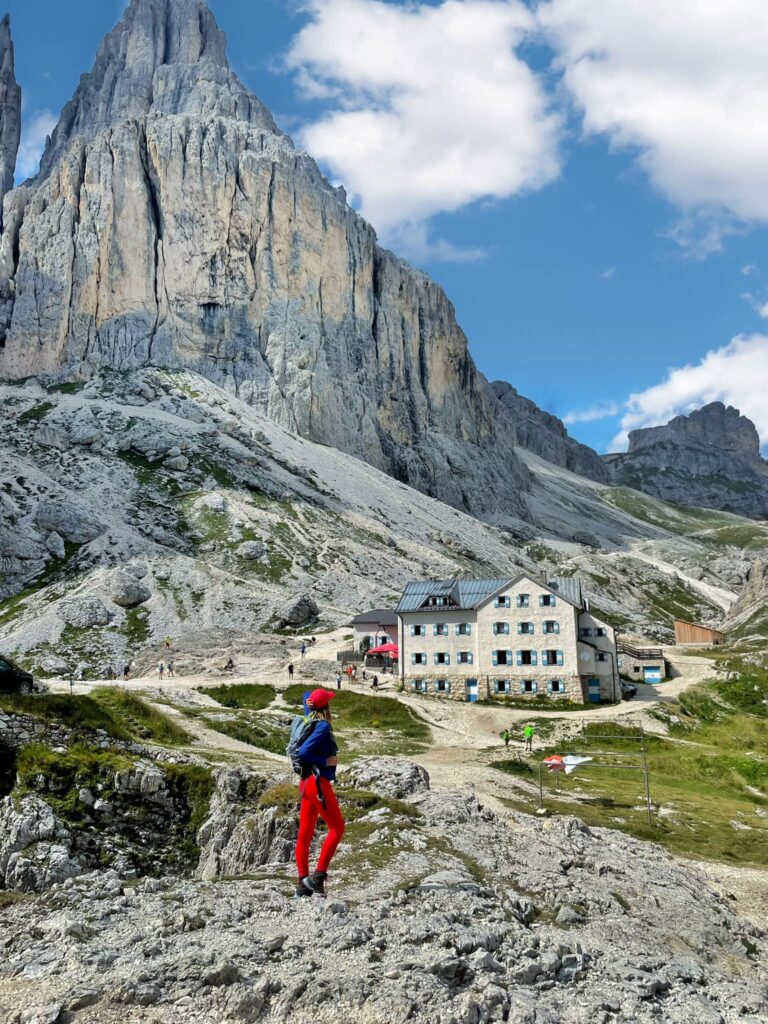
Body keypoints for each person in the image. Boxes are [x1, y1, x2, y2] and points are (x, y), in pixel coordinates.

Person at [294, 689, 345, 897]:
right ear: (327, 707)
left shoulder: (309, 718)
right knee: (337, 828)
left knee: (304, 835)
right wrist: (326, 761)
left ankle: (302, 884)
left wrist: (307, 697)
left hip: (305, 783)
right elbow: (303, 752)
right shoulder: (322, 726)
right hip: (318, 784)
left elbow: (306, 697)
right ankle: (317, 878)